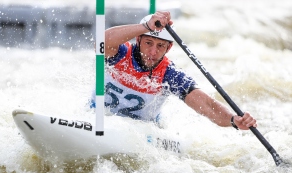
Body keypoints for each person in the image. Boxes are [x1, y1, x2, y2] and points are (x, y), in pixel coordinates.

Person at [93, 11, 257, 130]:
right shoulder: (121, 54)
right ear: (138, 39)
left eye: (160, 46)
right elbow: (100, 42)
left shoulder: (170, 75)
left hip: (140, 131)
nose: (152, 52)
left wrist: (233, 120)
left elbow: (206, 104)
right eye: (148, 43)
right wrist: (145, 26)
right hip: (96, 118)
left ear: (168, 48)